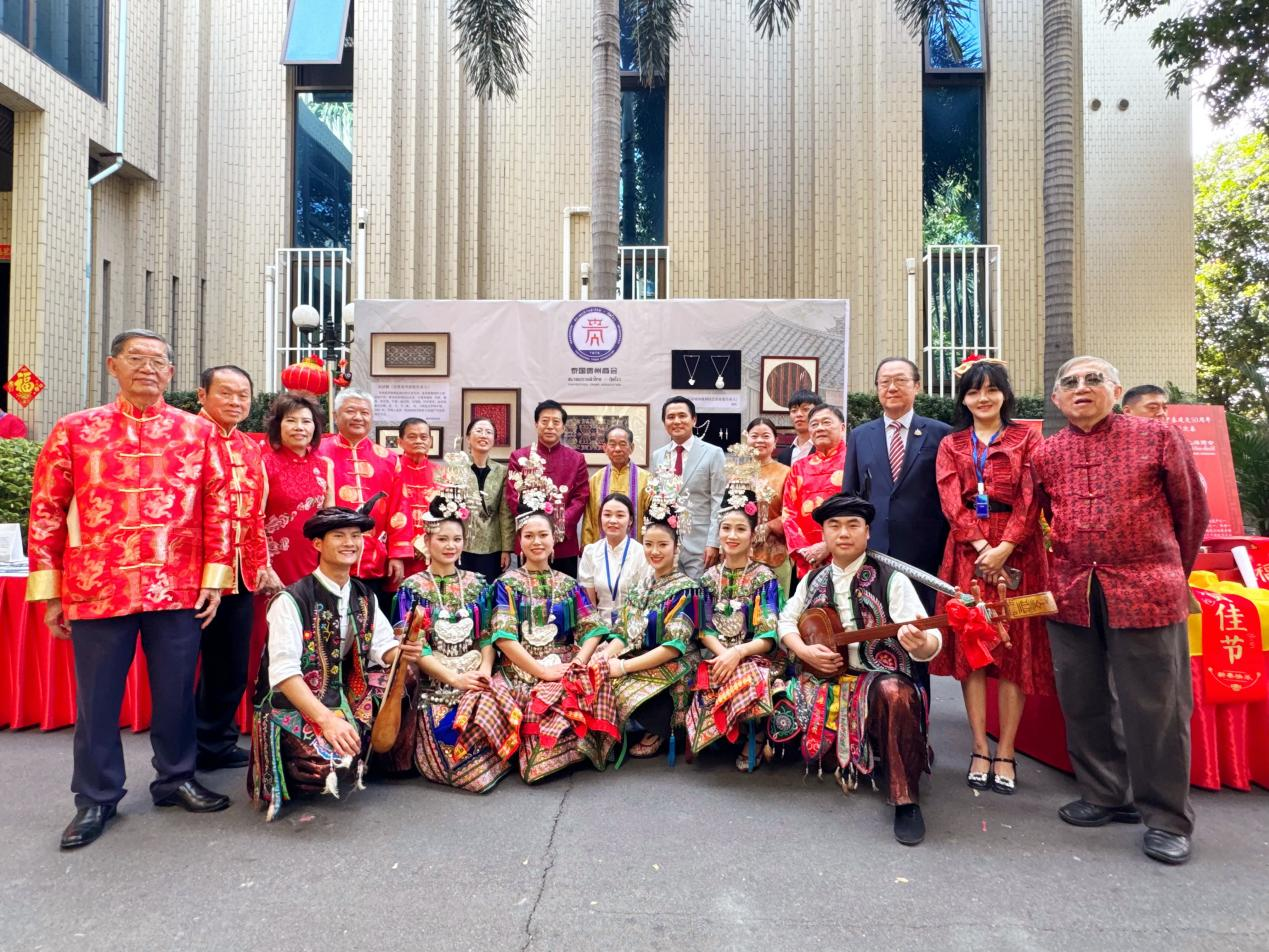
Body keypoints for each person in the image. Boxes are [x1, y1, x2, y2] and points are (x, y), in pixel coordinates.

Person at [28, 329, 235, 850]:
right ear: (112, 365)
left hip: (177, 586)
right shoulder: (75, 430)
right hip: (98, 586)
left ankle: (177, 778)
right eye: (136, 358)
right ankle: (96, 797)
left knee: (176, 692)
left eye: (158, 361)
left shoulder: (198, 432)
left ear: (171, 373)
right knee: (97, 700)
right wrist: (51, 593)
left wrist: (215, 580)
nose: (148, 368)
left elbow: (219, 505)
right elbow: (47, 511)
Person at [1032, 356, 1208, 866]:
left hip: (1146, 588)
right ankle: (1105, 793)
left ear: (1115, 391)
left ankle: (1167, 818)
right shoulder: (1047, 452)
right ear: (1057, 399)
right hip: (1072, 589)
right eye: (1070, 382)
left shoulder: (1158, 437)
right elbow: (1044, 517)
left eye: (1094, 379)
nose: (1081, 387)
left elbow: (1191, 512)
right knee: (1082, 696)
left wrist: (1170, 570)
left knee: (1156, 707)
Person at [771, 493, 940, 846]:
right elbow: (785, 620)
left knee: (896, 693)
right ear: (824, 535)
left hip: (877, 677)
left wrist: (920, 642)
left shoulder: (892, 578)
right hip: (824, 676)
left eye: (853, 525)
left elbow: (931, 639)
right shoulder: (813, 579)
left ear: (867, 532)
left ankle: (905, 799)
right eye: (834, 526)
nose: (844, 533)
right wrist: (804, 650)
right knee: (768, 687)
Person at [248, 503, 419, 820]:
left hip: (343, 690)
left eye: (355, 536)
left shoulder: (363, 594)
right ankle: (293, 761)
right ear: (317, 544)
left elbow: (383, 647)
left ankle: (383, 758)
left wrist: (404, 652)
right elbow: (284, 675)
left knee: (406, 673)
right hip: (295, 702)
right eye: (339, 536)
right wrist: (326, 720)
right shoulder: (291, 600)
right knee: (331, 766)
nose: (350, 543)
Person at [932, 356, 1053, 795]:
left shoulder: (1028, 437)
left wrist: (1006, 547)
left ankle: (1007, 750)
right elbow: (950, 498)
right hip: (968, 550)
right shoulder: (952, 443)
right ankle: (980, 746)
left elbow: (1033, 496)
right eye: (973, 391)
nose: (983, 398)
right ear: (963, 399)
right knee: (974, 645)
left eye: (991, 389)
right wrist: (983, 547)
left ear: (1005, 394)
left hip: (1019, 551)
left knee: (1016, 649)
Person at [488, 451, 612, 782]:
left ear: (554, 539)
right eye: (528, 536)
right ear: (519, 542)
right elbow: (504, 638)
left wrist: (577, 663)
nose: (536, 542)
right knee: (535, 706)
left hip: (565, 664)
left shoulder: (568, 584)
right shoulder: (506, 585)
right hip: (523, 669)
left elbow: (592, 629)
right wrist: (541, 671)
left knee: (589, 685)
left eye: (543, 535)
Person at [393, 463, 511, 793]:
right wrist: (454, 679)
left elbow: (486, 635)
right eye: (442, 539)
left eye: (457, 539)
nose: (450, 545)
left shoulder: (478, 584)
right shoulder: (411, 589)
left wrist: (484, 671)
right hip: (435, 685)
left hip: (475, 676)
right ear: (426, 541)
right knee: (454, 749)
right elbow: (415, 648)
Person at [194, 365, 282, 772]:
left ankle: (216, 742)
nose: (235, 402)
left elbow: (256, 516)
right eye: (225, 393)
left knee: (229, 665)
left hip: (240, 574)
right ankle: (181, 756)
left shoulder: (250, 447)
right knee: (182, 668)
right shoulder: (186, 439)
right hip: (191, 576)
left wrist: (261, 563)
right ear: (202, 395)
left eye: (242, 395)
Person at [597, 463, 703, 761]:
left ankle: (661, 726)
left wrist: (624, 667)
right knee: (598, 675)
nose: (654, 551)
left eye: (663, 545)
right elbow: (623, 632)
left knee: (623, 682)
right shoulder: (641, 585)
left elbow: (674, 647)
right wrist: (605, 657)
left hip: (675, 662)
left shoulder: (687, 589)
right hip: (639, 654)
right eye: (649, 544)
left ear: (676, 547)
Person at [687, 458, 784, 771]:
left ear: (753, 534)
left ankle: (752, 735)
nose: (732, 535)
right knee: (699, 676)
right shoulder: (707, 579)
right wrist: (723, 655)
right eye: (726, 528)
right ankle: (724, 733)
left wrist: (737, 654)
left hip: (754, 655)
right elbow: (703, 629)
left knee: (750, 678)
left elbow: (768, 634)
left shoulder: (764, 578)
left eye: (740, 529)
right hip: (715, 654)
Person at [843, 357, 951, 612]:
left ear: (917, 386)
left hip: (925, 551)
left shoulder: (941, 434)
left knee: (921, 621)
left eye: (900, 380)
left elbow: (949, 495)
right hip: (874, 548)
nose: (892, 387)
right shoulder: (860, 435)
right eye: (885, 382)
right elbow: (849, 495)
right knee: (875, 617)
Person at [318, 389, 409, 612]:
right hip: (327, 558)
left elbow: (399, 507)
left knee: (371, 620)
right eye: (351, 411)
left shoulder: (389, 458)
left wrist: (397, 554)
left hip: (375, 559)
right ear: (336, 415)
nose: (358, 417)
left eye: (364, 413)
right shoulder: (319, 452)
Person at [506, 400, 590, 577]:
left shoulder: (576, 459)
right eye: (544, 421)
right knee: (528, 588)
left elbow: (580, 497)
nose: (550, 426)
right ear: (536, 424)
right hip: (531, 539)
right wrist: (537, 527)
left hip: (563, 541)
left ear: (563, 427)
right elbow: (513, 496)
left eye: (556, 422)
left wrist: (558, 525)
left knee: (564, 590)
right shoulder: (520, 457)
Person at [261, 391, 336, 587]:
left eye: (306, 421)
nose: (299, 427)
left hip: (314, 558)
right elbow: (255, 520)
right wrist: (265, 566)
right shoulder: (264, 463)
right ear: (278, 425)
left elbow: (330, 521)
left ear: (315, 427)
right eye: (291, 420)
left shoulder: (325, 465)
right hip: (275, 561)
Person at [650, 395, 726, 577]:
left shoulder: (713, 453)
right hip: (668, 544)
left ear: (694, 420)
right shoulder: (658, 455)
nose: (677, 421)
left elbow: (719, 500)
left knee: (697, 592)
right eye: (671, 417)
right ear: (664, 422)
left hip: (701, 545)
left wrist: (714, 542)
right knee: (670, 591)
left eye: (682, 416)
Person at [783, 403, 848, 589]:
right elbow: (788, 513)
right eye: (814, 424)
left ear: (842, 427)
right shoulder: (798, 467)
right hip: (808, 560)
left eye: (826, 422)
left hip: (845, 554)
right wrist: (806, 552)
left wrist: (828, 546)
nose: (819, 428)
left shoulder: (855, 460)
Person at [578, 492, 650, 623]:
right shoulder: (591, 552)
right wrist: (598, 630)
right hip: (599, 626)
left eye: (620, 515)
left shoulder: (641, 553)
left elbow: (644, 601)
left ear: (630, 520)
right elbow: (589, 605)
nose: (612, 520)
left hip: (632, 626)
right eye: (607, 515)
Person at [457, 417, 514, 581]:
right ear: (468, 438)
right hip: (461, 544)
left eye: (489, 432)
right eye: (479, 431)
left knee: (488, 591)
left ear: (493, 440)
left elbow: (505, 513)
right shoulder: (456, 469)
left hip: (492, 545)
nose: (484, 435)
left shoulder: (502, 471)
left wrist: (506, 548)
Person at [387, 417, 440, 579]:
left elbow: (446, 516)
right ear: (400, 441)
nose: (418, 441)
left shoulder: (441, 474)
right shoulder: (391, 470)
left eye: (424, 437)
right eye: (412, 436)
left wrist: (424, 544)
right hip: (397, 555)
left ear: (430, 441)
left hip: (432, 553)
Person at [581, 424, 651, 545]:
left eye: (623, 444)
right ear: (605, 448)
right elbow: (588, 520)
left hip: (637, 549)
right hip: (601, 550)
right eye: (612, 444)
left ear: (631, 448)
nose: (617, 449)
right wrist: (587, 547)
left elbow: (651, 520)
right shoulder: (595, 480)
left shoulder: (646, 479)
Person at [744, 417, 792, 592]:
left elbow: (792, 513)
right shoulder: (737, 473)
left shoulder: (786, 473)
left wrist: (770, 526)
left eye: (765, 436)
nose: (759, 440)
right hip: (741, 554)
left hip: (775, 554)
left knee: (773, 605)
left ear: (775, 440)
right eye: (754, 436)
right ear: (747, 439)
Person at [774, 389, 821, 466]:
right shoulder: (783, 456)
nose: (798, 414)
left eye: (805, 409)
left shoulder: (826, 450)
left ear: (818, 412)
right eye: (794, 410)